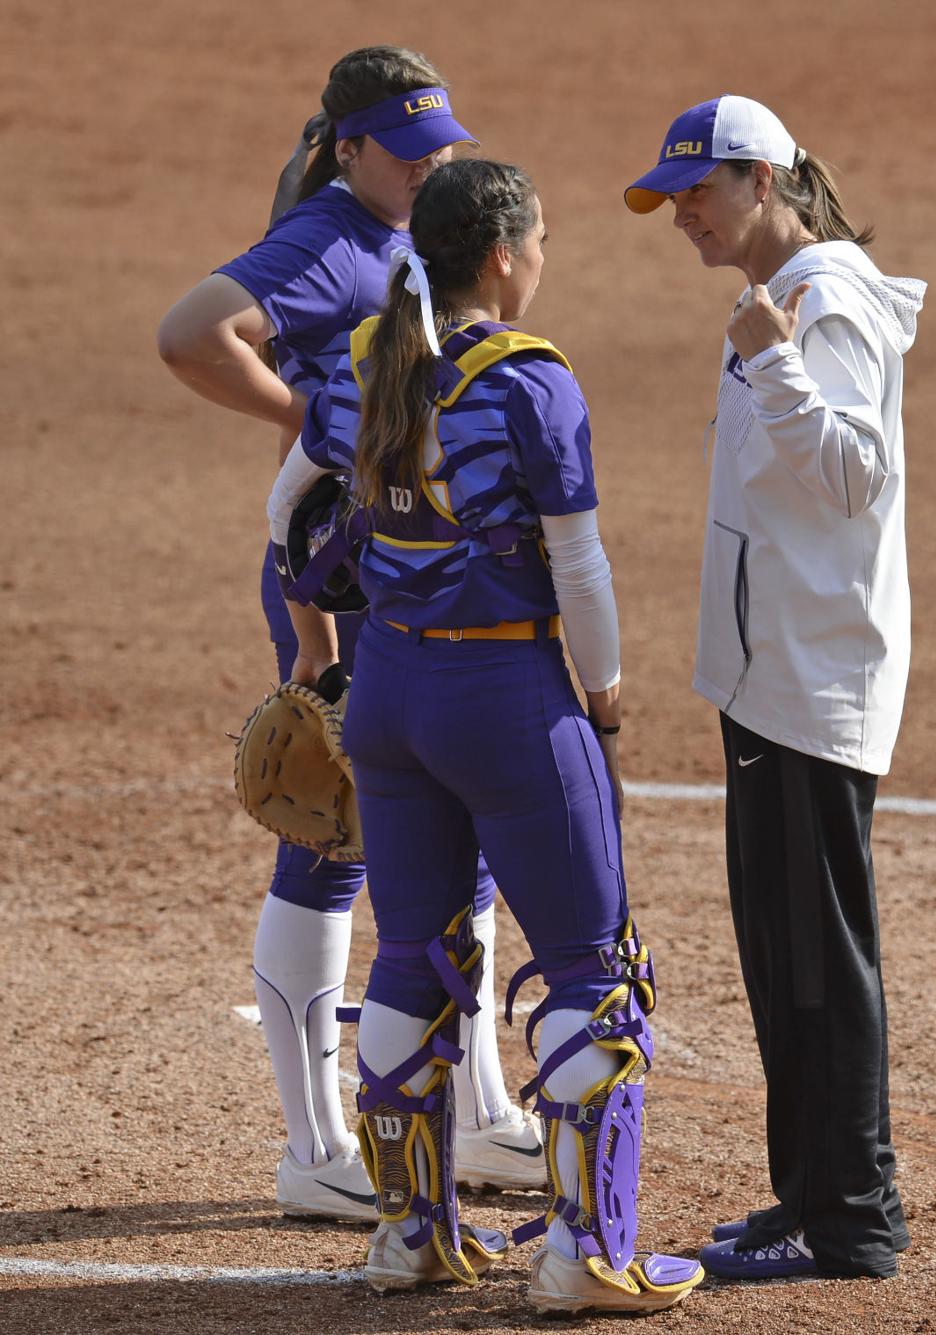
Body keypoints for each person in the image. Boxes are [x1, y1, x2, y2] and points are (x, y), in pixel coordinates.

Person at [270, 155, 704, 1313]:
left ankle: (409, 1236)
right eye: (544, 240)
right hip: (506, 700)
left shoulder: (371, 357)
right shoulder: (530, 382)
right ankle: (586, 1256)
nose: (545, 260)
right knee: (589, 972)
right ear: (504, 254)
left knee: (411, 953)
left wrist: (316, 634)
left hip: (390, 703)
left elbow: (286, 511)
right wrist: (602, 703)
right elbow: (580, 566)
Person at [156, 46, 544, 1220]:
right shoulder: (326, 241)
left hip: (411, 573)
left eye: (440, 150)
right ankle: (316, 1146)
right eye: (408, 151)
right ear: (347, 147)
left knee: (462, 824)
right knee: (334, 838)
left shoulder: (403, 242)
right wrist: (321, 426)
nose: (430, 167)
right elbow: (190, 333)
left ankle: (479, 1118)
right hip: (340, 579)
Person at [625, 95, 926, 1281]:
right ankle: (808, 1195)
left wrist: (775, 362)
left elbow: (858, 475)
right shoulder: (783, 301)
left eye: (695, 190)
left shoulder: (824, 303)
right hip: (769, 681)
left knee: (818, 963)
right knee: (781, 957)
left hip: (810, 681)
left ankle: (855, 1218)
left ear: (762, 178)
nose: (681, 214)